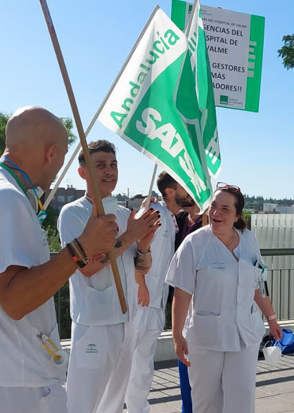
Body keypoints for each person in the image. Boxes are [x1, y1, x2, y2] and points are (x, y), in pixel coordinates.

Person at [0, 107, 120, 412]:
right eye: (62, 160)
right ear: (52, 153)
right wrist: (81, 248)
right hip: (14, 385)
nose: (58, 168)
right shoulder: (2, 197)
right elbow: (15, 299)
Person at [57, 140, 161, 413]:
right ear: (83, 173)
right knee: (83, 404)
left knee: (115, 403)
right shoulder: (73, 213)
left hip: (127, 321)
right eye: (100, 165)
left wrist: (144, 244)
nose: (109, 171)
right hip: (94, 322)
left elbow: (142, 267)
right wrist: (129, 236)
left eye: (113, 165)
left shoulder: (127, 215)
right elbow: (87, 267)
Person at [166, 183, 283, 413]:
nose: (216, 213)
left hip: (244, 335)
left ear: (237, 215)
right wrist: (177, 334)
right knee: (207, 402)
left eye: (225, 209)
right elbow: (182, 292)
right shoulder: (195, 243)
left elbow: (258, 284)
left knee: (242, 399)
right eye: (214, 207)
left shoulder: (249, 240)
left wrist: (271, 318)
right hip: (206, 336)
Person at [124, 173, 182, 413]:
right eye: (183, 186)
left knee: (144, 367)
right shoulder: (153, 212)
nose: (188, 191)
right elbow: (131, 248)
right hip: (140, 300)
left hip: (156, 302)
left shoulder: (169, 217)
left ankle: (139, 410)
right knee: (126, 363)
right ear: (170, 191)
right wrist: (141, 282)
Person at [159, 173, 199, 413]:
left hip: (204, 309)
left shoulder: (210, 224)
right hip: (181, 307)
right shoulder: (179, 220)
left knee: (204, 380)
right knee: (186, 375)